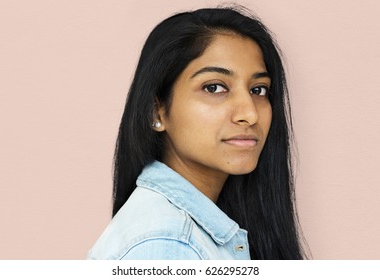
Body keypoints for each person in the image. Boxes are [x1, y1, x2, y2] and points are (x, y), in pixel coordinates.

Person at [87, 6, 307, 260]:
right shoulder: (169, 246)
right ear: (156, 112)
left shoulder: (182, 231)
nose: (250, 114)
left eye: (258, 90)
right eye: (214, 87)